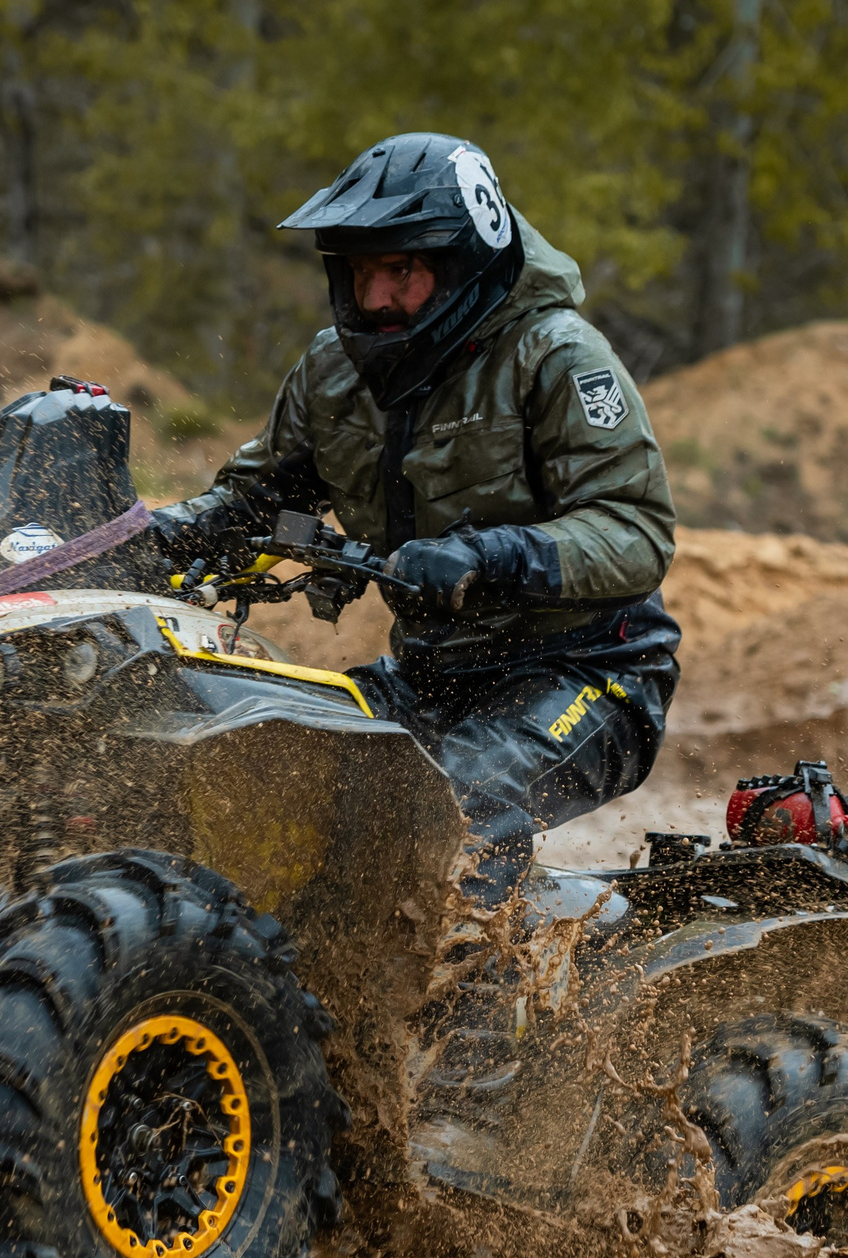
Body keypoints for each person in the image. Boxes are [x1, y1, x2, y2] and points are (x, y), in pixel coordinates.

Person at [153, 133, 678, 910]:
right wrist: (148, 538)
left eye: (401, 270)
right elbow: (253, 504)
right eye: (363, 272)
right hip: (432, 675)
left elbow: (638, 532)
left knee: (446, 813)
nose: (377, 299)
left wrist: (491, 555)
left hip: (590, 670)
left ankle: (471, 1029)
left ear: (465, 259)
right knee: (266, 765)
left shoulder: (556, 356)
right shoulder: (335, 372)